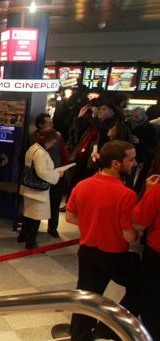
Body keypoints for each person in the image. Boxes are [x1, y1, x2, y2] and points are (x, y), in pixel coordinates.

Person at [66, 140, 140, 341]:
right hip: (114, 256)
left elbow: (70, 217)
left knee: (86, 298)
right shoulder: (127, 195)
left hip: (87, 252)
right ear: (116, 163)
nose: (134, 163)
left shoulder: (82, 185)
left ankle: (79, 336)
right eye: (131, 159)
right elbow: (128, 235)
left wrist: (92, 225)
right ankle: (110, 329)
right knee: (142, 289)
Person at [19, 129, 64, 249]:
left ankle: (23, 236)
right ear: (47, 140)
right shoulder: (41, 152)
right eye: (52, 141)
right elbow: (41, 173)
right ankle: (31, 242)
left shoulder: (33, 148)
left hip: (29, 186)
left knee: (28, 214)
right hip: (37, 189)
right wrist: (56, 175)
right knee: (36, 216)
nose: (53, 144)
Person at [133, 173, 160, 340]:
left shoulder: (156, 192)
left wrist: (148, 191)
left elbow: (139, 223)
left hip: (156, 255)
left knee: (152, 303)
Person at [34, 114, 69, 237]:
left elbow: (64, 155)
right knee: (38, 203)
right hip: (40, 176)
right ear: (40, 125)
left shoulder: (57, 137)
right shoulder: (34, 138)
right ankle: (33, 229)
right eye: (48, 123)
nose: (52, 125)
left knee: (54, 203)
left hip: (56, 175)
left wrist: (63, 170)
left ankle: (52, 228)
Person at [128, 107, 158, 191]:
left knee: (136, 179)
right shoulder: (128, 124)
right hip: (128, 154)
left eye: (136, 116)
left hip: (141, 157)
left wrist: (139, 141)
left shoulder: (150, 128)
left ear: (143, 116)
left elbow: (153, 144)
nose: (133, 118)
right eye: (132, 116)